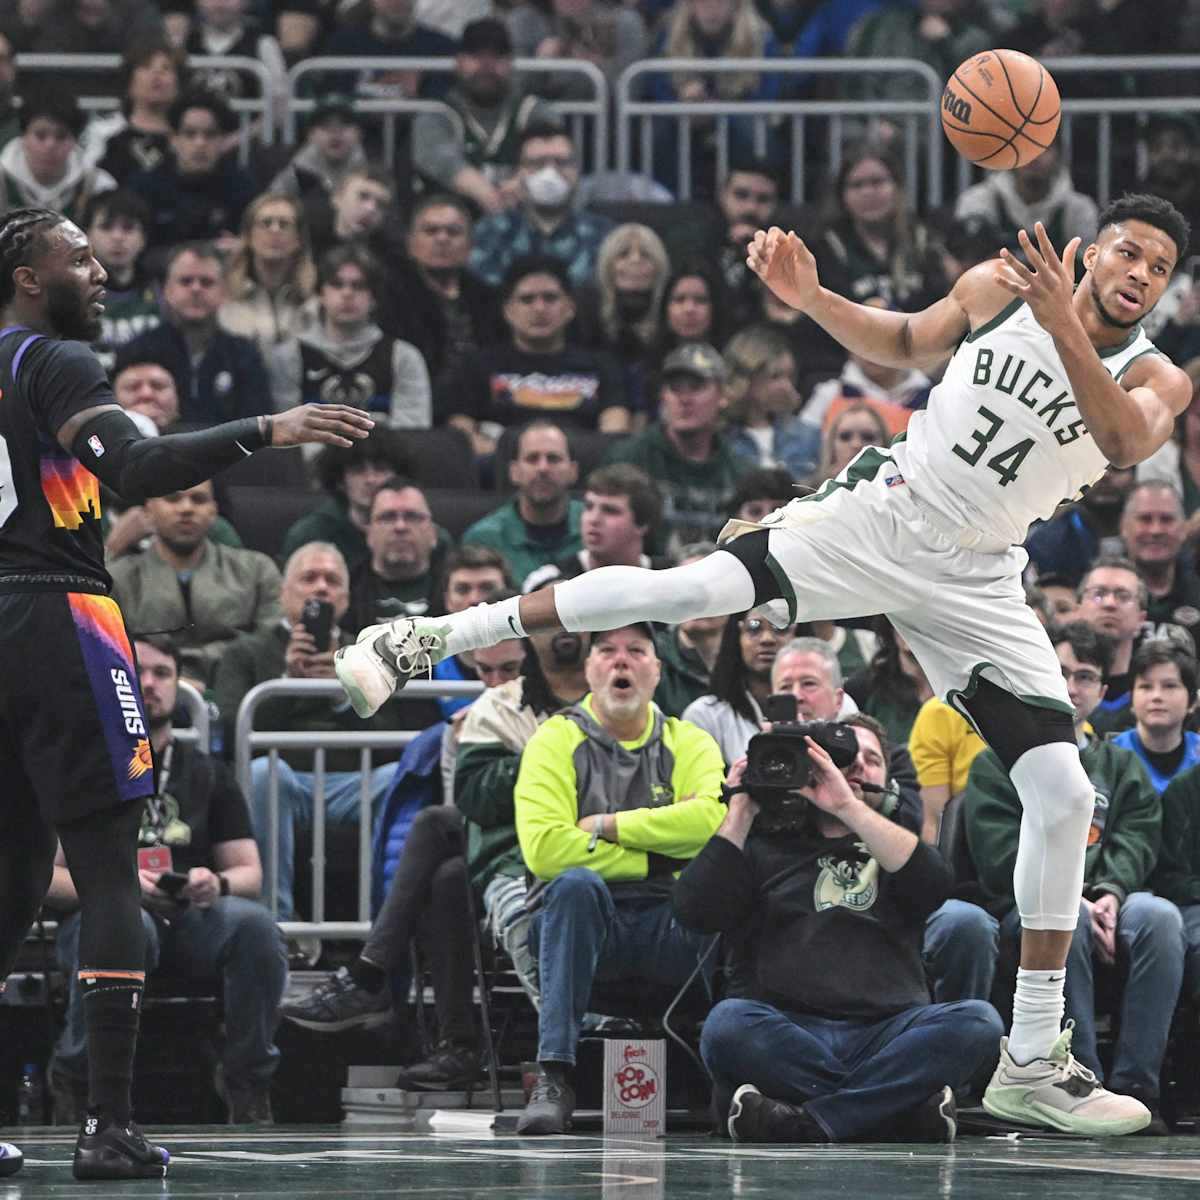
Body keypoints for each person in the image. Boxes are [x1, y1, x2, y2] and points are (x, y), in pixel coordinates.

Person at [338, 193, 1196, 1136]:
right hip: (885, 512)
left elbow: (1119, 439)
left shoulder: (1158, 375)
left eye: (1157, 267)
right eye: (1128, 251)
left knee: (1065, 795)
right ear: (1092, 249)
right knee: (685, 590)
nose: (1139, 274)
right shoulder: (1000, 282)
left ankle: (1033, 1056)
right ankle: (426, 637)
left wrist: (1059, 321)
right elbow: (908, 339)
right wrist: (814, 296)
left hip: (980, 575)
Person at [0, 204, 369, 1180]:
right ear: (30, 277)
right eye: (80, 255)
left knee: (9, 876)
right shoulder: (50, 360)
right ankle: (107, 1123)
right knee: (112, 870)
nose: (103, 270)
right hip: (58, 611)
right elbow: (139, 468)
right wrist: (267, 428)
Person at [677, 714, 1003, 1143]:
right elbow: (693, 911)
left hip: (887, 1033)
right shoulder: (763, 847)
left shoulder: (892, 848)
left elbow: (935, 883)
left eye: (871, 759)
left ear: (888, 779)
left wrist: (848, 807)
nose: (856, 768)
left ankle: (805, 1120)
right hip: (786, 1029)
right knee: (726, 1025)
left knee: (979, 1022)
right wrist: (741, 807)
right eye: (842, 757)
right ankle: (894, 1112)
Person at [281, 620, 589, 1067]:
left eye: (508, 668)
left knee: (435, 826)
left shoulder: (600, 705)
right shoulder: (477, 719)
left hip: (558, 843)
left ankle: (371, 974)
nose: (496, 682)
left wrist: (533, 763)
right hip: (502, 849)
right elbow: (471, 807)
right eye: (485, 671)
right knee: (447, 877)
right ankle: (456, 1044)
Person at [45, 635, 287, 1127]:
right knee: (127, 925)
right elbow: (47, 878)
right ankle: (74, 1079)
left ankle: (246, 1082)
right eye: (140, 672)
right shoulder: (80, 768)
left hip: (191, 917)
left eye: (163, 674)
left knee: (256, 927)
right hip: (106, 919)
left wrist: (213, 882)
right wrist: (116, 889)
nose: (150, 684)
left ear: (180, 687)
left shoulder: (207, 774)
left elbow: (249, 873)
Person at [965, 621, 1183, 1135]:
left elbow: (1137, 837)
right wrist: (1079, 901)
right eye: (1059, 672)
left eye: (1084, 676)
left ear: (1104, 692)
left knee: (1160, 917)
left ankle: (1137, 1086)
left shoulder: (1121, 764)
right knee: (1069, 924)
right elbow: (1000, 854)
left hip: (1113, 901)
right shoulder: (995, 763)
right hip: (1028, 904)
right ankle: (1071, 1081)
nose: (1069, 687)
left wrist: (1109, 892)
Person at [511, 621, 726, 1133]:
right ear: (588, 669)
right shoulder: (554, 739)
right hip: (581, 930)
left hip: (670, 925)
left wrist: (607, 826)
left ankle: (733, 1075)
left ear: (657, 670)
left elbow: (712, 826)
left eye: (636, 650)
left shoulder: (689, 741)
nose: (620, 660)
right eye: (606, 650)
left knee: (730, 891)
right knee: (575, 885)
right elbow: (546, 850)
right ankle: (555, 1076)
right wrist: (659, 853)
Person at [210, 541, 423, 921]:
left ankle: (385, 931)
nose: (321, 588)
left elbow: (393, 736)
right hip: (284, 783)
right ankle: (275, 927)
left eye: (332, 580)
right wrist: (288, 682)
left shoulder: (373, 650)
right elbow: (232, 729)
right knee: (262, 775)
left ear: (345, 597)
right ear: (283, 593)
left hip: (354, 783)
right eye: (309, 578)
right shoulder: (247, 652)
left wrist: (345, 697)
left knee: (398, 779)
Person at [438, 254, 628, 453]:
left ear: (570, 308)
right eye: (527, 299)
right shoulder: (476, 365)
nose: (539, 308)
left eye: (550, 298)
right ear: (508, 311)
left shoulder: (602, 365)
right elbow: (460, 431)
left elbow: (615, 432)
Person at [108, 479, 282, 690]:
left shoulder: (256, 570)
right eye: (172, 499)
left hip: (239, 693)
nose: (186, 508)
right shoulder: (119, 577)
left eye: (198, 500)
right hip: (146, 694)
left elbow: (272, 642)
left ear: (213, 511)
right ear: (149, 509)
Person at [603, 342, 754, 550]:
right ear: (663, 396)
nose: (684, 399)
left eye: (696, 387)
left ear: (722, 396)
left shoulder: (742, 473)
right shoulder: (627, 459)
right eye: (675, 388)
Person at [268, 245, 432, 428]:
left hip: (384, 455)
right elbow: (283, 433)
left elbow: (413, 431)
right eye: (337, 284)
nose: (347, 293)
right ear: (321, 293)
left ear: (374, 297)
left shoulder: (404, 357)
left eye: (358, 286)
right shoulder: (289, 356)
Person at [117, 242, 274, 425]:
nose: (196, 289)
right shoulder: (136, 351)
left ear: (224, 292)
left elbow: (258, 426)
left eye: (206, 282)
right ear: (167, 290)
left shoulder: (244, 354)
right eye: (186, 281)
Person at [411, 16, 554, 215]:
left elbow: (552, 154)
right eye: (476, 56)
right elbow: (438, 158)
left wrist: (523, 181)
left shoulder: (534, 110)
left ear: (510, 63)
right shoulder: (438, 114)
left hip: (523, 227)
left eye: (497, 56)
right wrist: (487, 194)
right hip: (450, 229)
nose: (486, 65)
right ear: (459, 62)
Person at [469, 123, 615, 290]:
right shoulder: (490, 233)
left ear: (577, 170)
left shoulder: (604, 237)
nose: (549, 173)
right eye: (537, 163)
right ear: (519, 172)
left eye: (562, 162)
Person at [810, 141, 947, 313]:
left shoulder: (922, 239)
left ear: (897, 187)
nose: (867, 192)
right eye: (857, 185)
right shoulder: (827, 246)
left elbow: (940, 304)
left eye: (877, 182)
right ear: (841, 195)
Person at [382, 193, 502, 382]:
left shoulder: (489, 299)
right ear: (411, 243)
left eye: (453, 232)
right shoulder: (388, 295)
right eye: (431, 231)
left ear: (470, 245)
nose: (442, 239)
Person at [126, 90, 257, 261]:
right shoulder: (143, 187)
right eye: (190, 134)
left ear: (223, 140)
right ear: (173, 139)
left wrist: (242, 247)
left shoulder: (242, 187)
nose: (200, 143)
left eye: (210, 134)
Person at [461, 421, 584, 585]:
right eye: (532, 459)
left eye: (553, 459)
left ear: (573, 471)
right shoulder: (484, 539)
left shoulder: (599, 529)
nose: (543, 468)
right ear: (514, 471)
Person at [278, 431, 413, 571]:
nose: (371, 479)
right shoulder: (310, 535)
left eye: (380, 469)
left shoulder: (422, 530)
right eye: (358, 471)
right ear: (340, 481)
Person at [523, 463, 666, 592]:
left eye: (610, 510)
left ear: (642, 523)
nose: (594, 519)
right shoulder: (547, 578)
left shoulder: (669, 578)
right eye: (589, 507)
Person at [956, 140, 1101, 263]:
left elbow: (1090, 274)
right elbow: (964, 265)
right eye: (1025, 147)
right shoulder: (979, 201)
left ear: (1059, 156)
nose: (1034, 156)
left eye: (1043, 148)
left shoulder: (1079, 209)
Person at [680, 611, 793, 766]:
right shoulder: (705, 715)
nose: (767, 639)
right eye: (754, 627)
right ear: (737, 636)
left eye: (781, 627)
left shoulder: (822, 705)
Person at [344, 477, 450, 631]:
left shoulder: (462, 588)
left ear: (433, 533)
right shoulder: (346, 590)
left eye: (412, 516)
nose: (400, 526)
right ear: (369, 534)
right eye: (388, 517)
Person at [218, 193, 317, 355]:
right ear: (249, 236)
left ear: (298, 239)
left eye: (284, 224)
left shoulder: (312, 304)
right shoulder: (225, 299)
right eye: (265, 223)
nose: (274, 230)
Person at [80, 34, 185, 185]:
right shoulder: (102, 132)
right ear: (129, 81)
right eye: (146, 66)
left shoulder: (189, 137)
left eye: (166, 68)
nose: (157, 74)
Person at [0, 89, 116, 222]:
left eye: (61, 136)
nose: (50, 145)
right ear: (23, 136)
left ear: (75, 140)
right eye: (40, 135)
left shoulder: (98, 186)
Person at [722, 324, 820, 477]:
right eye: (775, 376)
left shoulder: (809, 436)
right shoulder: (719, 439)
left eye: (790, 376)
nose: (786, 387)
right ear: (747, 378)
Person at [82, 189, 160, 374]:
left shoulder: (163, 288)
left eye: (128, 228)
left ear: (144, 238)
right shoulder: (69, 293)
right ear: (86, 236)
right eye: (106, 227)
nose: (117, 237)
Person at [1074, 556, 1152, 735]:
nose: (1109, 604)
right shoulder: (1055, 684)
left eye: (1123, 596)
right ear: (1077, 611)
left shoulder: (1156, 692)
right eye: (1098, 594)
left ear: (1141, 619)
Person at [1110, 639, 1200, 793]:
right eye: (1146, 687)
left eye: (1170, 686)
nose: (1156, 696)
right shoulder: (1110, 758)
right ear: (1131, 699)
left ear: (1192, 701)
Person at [1025, 463, 1134, 586]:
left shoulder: (1154, 532)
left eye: (1117, 468)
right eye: (1096, 469)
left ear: (1135, 475)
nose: (1105, 476)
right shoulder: (1045, 542)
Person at [1119, 480, 1200, 638]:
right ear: (1123, 526)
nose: (1156, 530)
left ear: (1183, 528)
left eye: (1166, 519)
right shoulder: (1101, 597)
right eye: (1145, 519)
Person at [268, 94, 368, 210]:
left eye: (345, 124)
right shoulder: (293, 176)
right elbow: (271, 210)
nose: (335, 132)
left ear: (359, 133)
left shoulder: (372, 174)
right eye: (326, 125)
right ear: (310, 135)